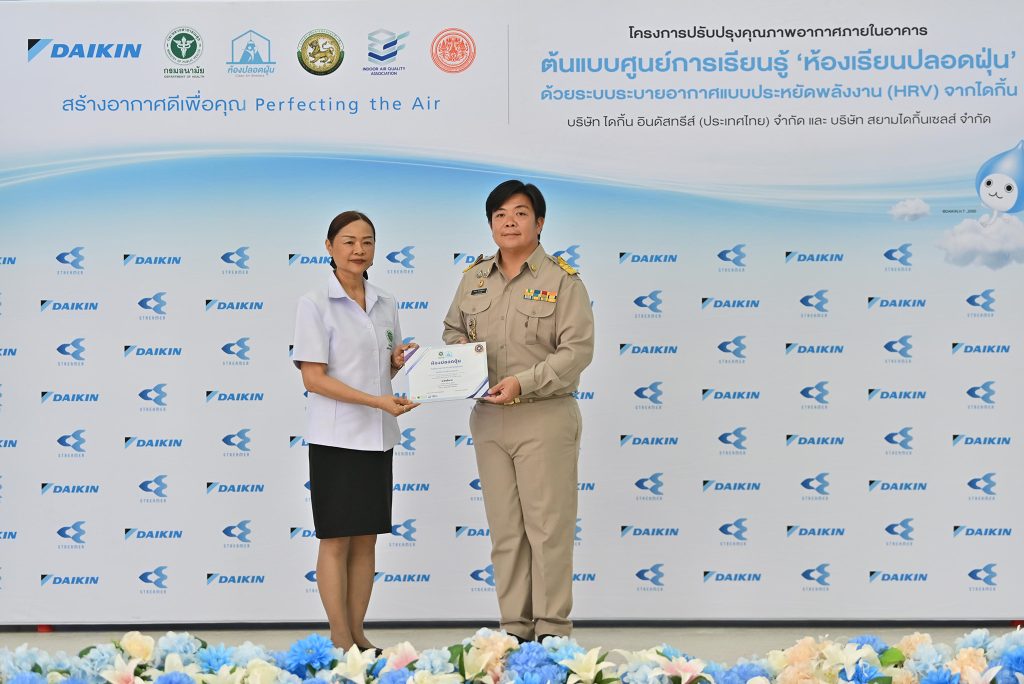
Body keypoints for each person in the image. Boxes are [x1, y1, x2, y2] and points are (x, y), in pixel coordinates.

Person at [442, 180, 595, 641]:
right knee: (506, 531)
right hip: (489, 419)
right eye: (500, 215)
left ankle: (551, 631)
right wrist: (461, 359)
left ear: (539, 222)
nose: (509, 222)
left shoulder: (562, 281)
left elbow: (577, 351)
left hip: (543, 414)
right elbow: (452, 332)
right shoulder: (474, 278)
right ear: (491, 224)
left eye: (521, 213)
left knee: (547, 530)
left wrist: (522, 383)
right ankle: (514, 628)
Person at [292, 210, 418, 650]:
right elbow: (314, 378)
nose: (358, 250)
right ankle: (340, 637)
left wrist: (398, 363)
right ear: (329, 247)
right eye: (348, 241)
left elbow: (384, 367)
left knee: (366, 540)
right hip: (336, 438)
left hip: (378, 437)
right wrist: (376, 401)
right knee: (335, 541)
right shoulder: (315, 303)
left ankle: (359, 634)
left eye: (367, 241)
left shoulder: (386, 301)